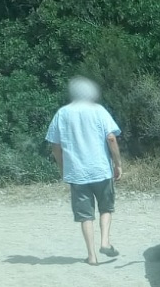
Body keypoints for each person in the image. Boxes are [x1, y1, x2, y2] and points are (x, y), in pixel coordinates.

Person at [46, 76, 123, 266]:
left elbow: (55, 146)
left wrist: (63, 168)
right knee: (106, 208)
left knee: (85, 215)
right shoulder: (99, 110)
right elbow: (111, 138)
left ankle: (91, 256)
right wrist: (118, 163)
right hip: (100, 170)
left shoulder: (62, 113)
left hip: (77, 173)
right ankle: (105, 241)